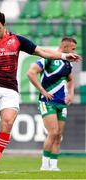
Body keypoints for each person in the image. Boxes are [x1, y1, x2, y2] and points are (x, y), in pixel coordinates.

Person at [0, 10, 81, 171]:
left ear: (4, 25)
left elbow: (41, 51)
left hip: (11, 89)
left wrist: (63, 56)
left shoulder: (17, 40)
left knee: (8, 123)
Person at [27, 37, 77, 171]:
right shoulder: (47, 58)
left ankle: (54, 166)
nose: (74, 52)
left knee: (59, 135)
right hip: (47, 101)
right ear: (65, 47)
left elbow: (71, 79)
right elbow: (31, 73)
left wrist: (71, 93)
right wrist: (42, 91)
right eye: (73, 49)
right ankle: (44, 165)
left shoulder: (68, 63)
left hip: (62, 103)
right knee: (53, 132)